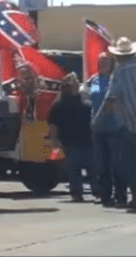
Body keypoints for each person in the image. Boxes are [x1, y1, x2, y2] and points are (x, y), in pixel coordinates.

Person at [92, 37, 136, 213]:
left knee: (133, 163)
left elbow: (111, 99)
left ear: (119, 56)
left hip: (131, 123)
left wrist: (97, 120)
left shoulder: (121, 72)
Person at [48, 72, 99, 202]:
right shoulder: (60, 104)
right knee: (79, 169)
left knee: (88, 169)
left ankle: (92, 192)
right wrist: (54, 141)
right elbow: (53, 125)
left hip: (84, 141)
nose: (68, 88)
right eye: (66, 85)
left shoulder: (84, 101)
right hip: (73, 143)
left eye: (70, 85)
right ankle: (82, 193)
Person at [89, 53, 128, 208]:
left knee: (117, 163)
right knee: (101, 164)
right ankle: (105, 195)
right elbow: (93, 98)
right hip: (98, 127)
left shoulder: (116, 79)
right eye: (100, 62)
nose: (102, 65)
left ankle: (121, 195)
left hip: (115, 126)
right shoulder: (96, 80)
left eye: (105, 62)